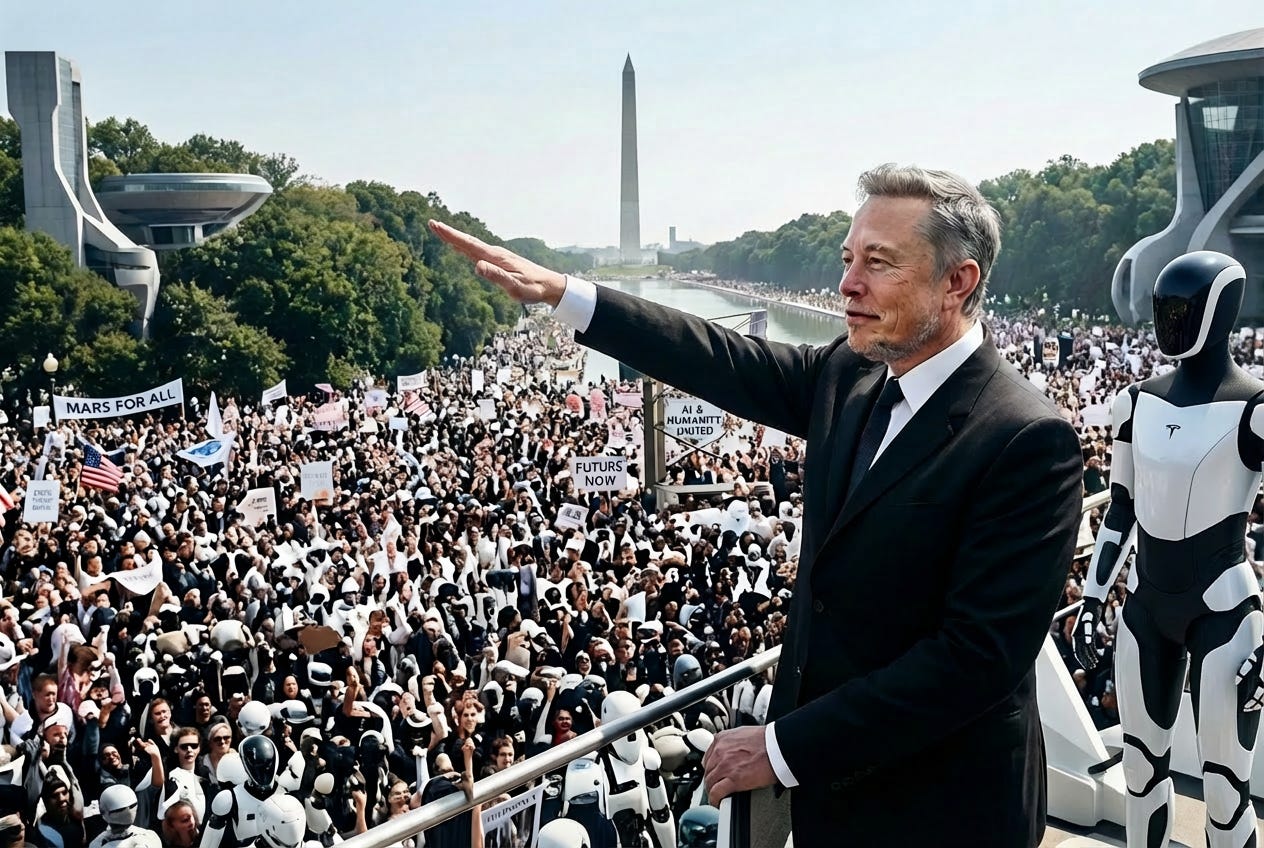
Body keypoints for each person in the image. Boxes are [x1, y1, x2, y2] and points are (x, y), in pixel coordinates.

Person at [428, 163, 1084, 846]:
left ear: (958, 282)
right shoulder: (852, 374)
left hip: (945, 806)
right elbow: (722, 358)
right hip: (833, 792)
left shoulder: (1026, 438)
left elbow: (973, 660)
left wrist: (782, 748)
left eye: (878, 263)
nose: (847, 284)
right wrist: (569, 295)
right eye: (848, 258)